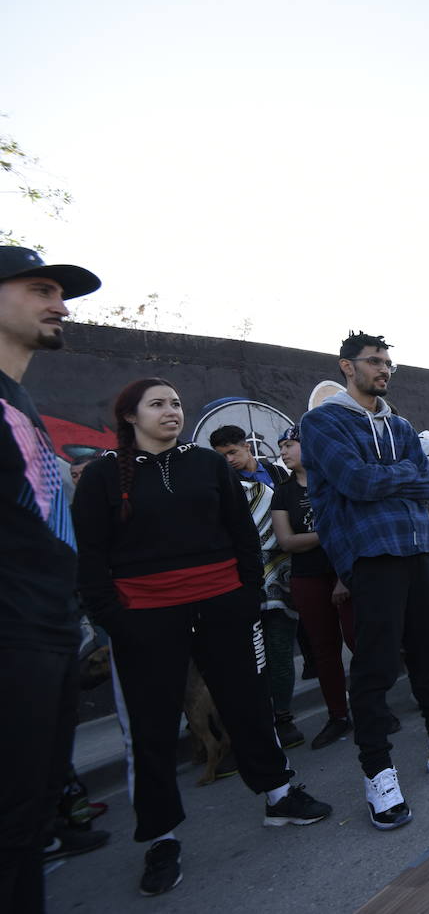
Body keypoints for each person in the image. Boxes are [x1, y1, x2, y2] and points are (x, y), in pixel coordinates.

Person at [74, 378, 333, 896]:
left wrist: (243, 596)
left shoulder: (208, 463)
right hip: (143, 620)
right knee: (149, 729)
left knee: (249, 704)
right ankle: (160, 837)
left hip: (223, 609)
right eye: (157, 404)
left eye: (175, 402)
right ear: (130, 416)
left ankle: (279, 795)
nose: (171, 410)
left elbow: (242, 535)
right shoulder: (103, 475)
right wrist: (115, 619)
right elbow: (92, 557)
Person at [300, 332, 429, 833]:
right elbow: (355, 482)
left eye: (389, 362)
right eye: (374, 362)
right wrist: (399, 479)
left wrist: (391, 478)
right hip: (370, 552)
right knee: (376, 665)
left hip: (418, 546)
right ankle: (378, 773)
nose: (384, 370)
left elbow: (425, 483)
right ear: (348, 367)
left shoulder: (402, 423)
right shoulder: (321, 422)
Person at [0, 247, 104, 912]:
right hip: (13, 640)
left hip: (50, 634)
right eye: (41, 289)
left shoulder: (19, 400)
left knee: (32, 826)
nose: (60, 305)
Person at [211, 424, 301, 748]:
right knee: (252, 655)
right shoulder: (221, 486)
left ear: (246, 447)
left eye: (232, 452)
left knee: (279, 648)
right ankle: (263, 722)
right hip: (243, 578)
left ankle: (284, 718)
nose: (229, 461)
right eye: (222, 457)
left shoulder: (278, 476)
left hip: (286, 572)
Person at [270, 427, 355, 750]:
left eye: (289, 445)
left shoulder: (334, 481)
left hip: (345, 572)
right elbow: (287, 541)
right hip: (307, 578)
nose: (283, 451)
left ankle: (374, 707)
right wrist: (329, 533)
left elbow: (353, 529)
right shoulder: (283, 491)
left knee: (358, 641)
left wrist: (343, 577)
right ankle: (338, 716)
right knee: (324, 652)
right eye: (280, 447)